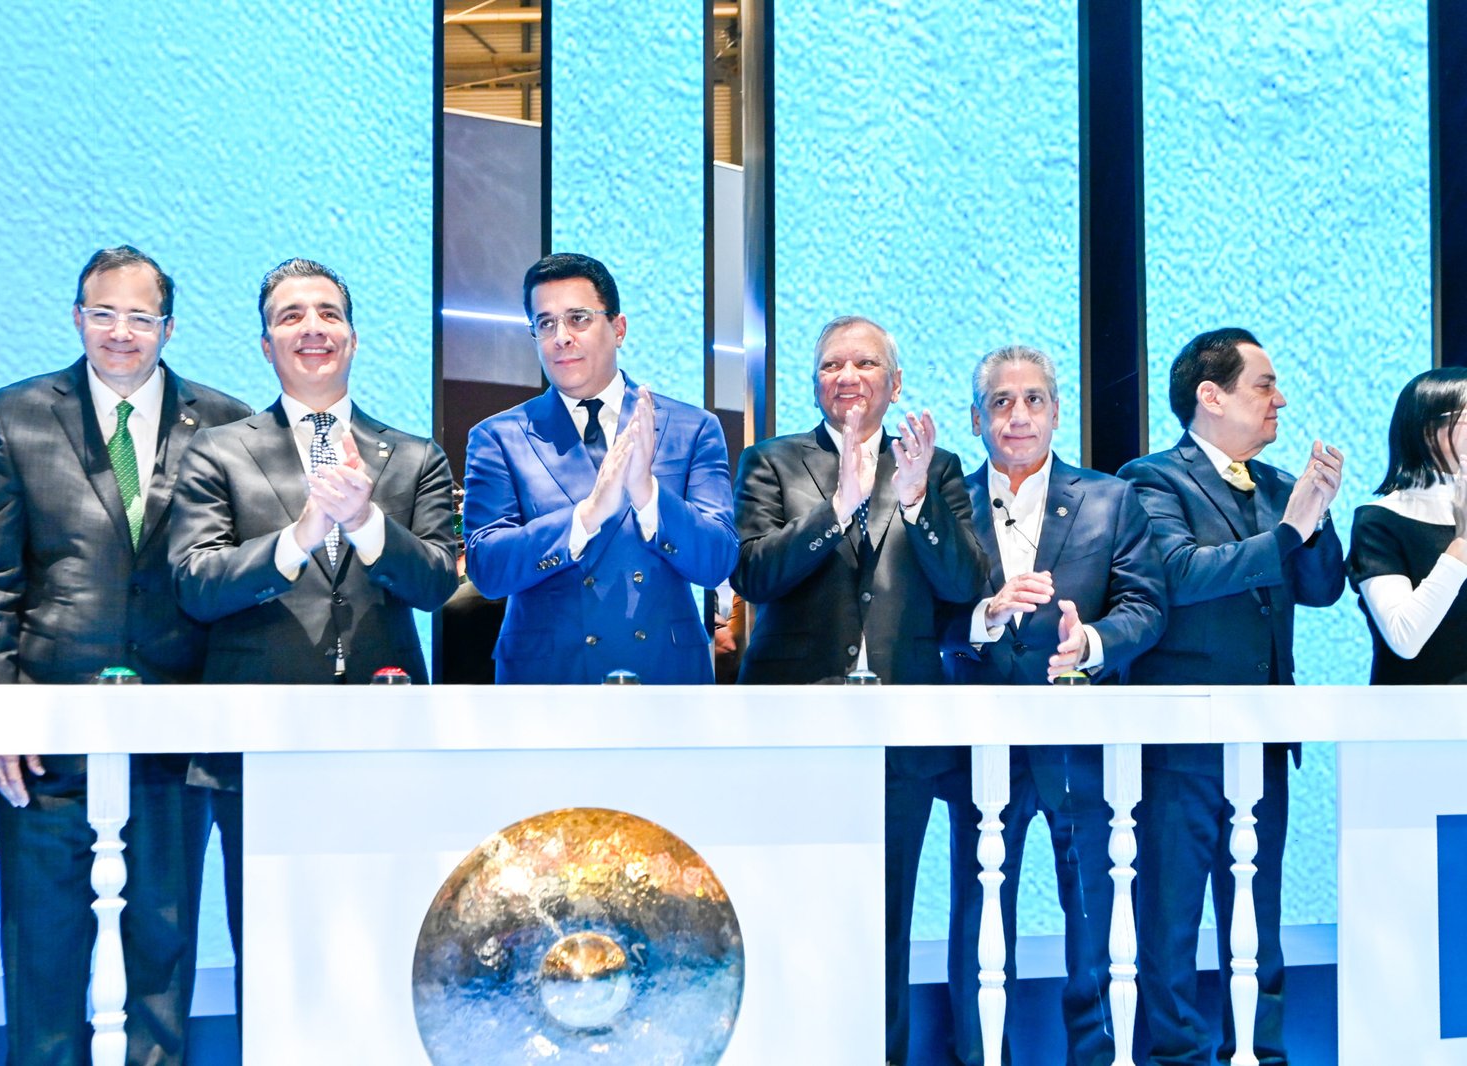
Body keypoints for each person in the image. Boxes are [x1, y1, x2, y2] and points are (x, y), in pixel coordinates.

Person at [0, 245, 252, 1066]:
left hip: (176, 733)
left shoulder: (225, 422)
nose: (121, 332)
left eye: (140, 317)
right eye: (103, 313)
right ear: (77, 317)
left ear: (169, 327)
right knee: (42, 957)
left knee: (163, 956)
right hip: (45, 736)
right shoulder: (18, 413)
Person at [168, 256, 457, 1011]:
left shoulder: (413, 456)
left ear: (352, 337)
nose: (312, 328)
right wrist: (298, 537)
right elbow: (196, 583)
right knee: (271, 956)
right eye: (290, 316)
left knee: (390, 948)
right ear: (266, 346)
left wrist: (364, 521)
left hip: (386, 738)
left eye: (329, 313)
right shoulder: (217, 451)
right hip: (257, 740)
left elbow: (436, 582)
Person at [726, 314, 986, 1066]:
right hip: (791, 724)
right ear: (815, 383)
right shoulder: (772, 461)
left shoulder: (936, 467)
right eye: (832, 365)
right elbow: (753, 574)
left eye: (865, 364)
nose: (847, 376)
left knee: (886, 918)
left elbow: (965, 584)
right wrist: (835, 509)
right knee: (786, 911)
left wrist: (917, 500)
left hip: (901, 730)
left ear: (894, 384)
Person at [1118, 327, 1345, 1066]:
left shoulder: (1278, 485)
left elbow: (1321, 589)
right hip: (1181, 740)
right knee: (1173, 918)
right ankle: (1176, 1055)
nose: (1280, 400)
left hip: (1263, 733)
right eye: (1264, 385)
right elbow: (1181, 575)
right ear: (1210, 396)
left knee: (1259, 914)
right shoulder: (1152, 480)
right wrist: (1289, 531)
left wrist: (1317, 514)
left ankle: (1260, 1050)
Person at [939, 345, 1165, 1066]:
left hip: (1080, 739)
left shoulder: (1110, 499)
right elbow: (920, 616)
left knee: (1095, 915)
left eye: (1034, 399)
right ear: (976, 418)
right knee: (977, 916)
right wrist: (983, 618)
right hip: (977, 739)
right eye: (1001, 401)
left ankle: (1097, 1058)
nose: (1018, 415)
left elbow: (1145, 607)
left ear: (1057, 412)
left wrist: (1091, 642)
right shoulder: (945, 503)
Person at [462, 253, 737, 683]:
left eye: (578, 318)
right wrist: (585, 517)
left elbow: (717, 560)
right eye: (545, 323)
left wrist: (648, 495)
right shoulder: (498, 437)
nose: (561, 337)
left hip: (665, 675)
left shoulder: (691, 427)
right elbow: (487, 569)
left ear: (618, 328)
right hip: (548, 680)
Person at [1348, 368, 1467, 683]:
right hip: (1416, 709)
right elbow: (1405, 638)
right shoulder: (1379, 521)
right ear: (1428, 431)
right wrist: (1462, 541)